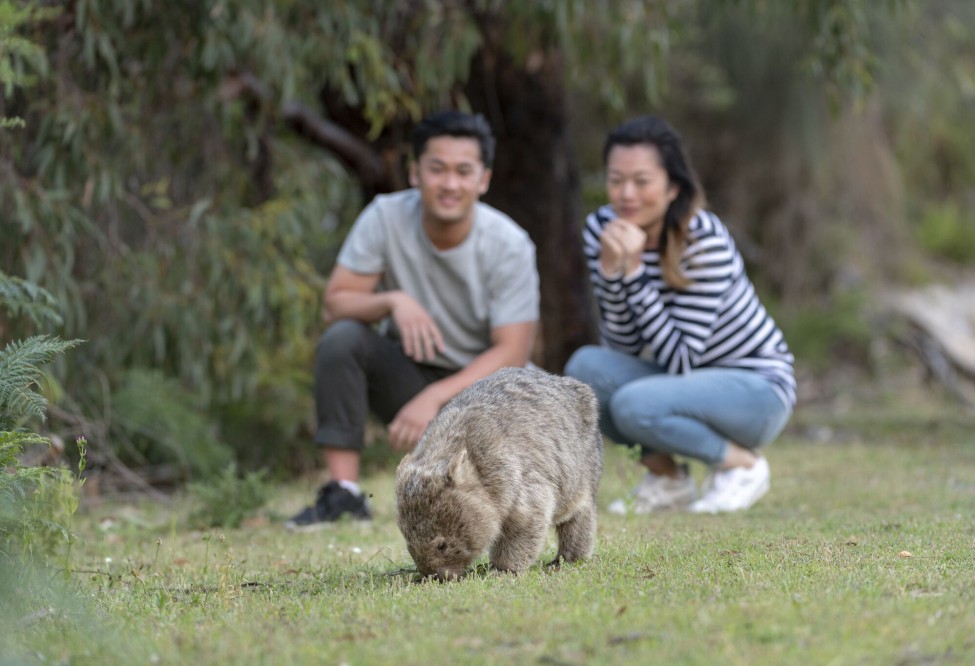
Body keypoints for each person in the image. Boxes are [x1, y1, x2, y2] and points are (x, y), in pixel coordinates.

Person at [287, 110, 540, 529]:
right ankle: (345, 497)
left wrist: (436, 398)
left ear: (483, 180)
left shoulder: (509, 244)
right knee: (343, 338)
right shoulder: (385, 217)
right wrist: (392, 300)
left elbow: (513, 351)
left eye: (463, 171)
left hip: (487, 392)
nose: (450, 184)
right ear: (414, 173)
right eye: (437, 169)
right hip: (407, 377)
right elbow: (335, 303)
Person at [564, 116, 795, 514]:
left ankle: (743, 465)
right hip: (683, 386)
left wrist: (634, 273)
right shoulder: (603, 228)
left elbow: (680, 359)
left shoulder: (702, 239)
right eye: (616, 179)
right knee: (585, 372)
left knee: (635, 403)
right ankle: (669, 479)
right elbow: (623, 347)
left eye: (642, 181)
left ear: (672, 187)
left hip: (757, 390)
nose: (626, 193)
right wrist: (610, 274)